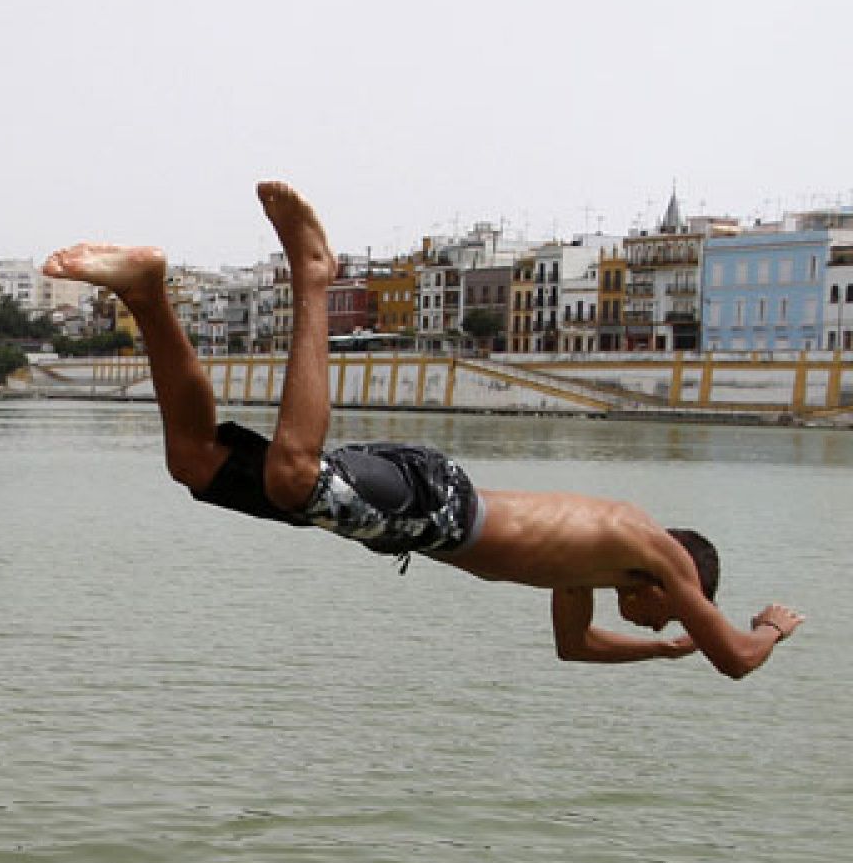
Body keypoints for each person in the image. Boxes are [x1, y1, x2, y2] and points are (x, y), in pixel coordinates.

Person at [41, 180, 804, 680]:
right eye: (674, 611)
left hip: (418, 516)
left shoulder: (595, 564)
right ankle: (314, 274)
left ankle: (146, 295)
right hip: (436, 505)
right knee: (291, 476)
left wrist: (663, 647)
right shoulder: (653, 551)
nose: (658, 614)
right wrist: (767, 630)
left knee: (198, 464)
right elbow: (735, 659)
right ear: (686, 583)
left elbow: (575, 646)